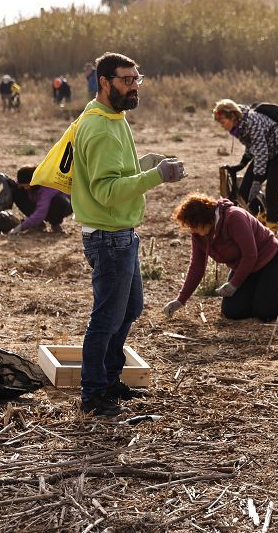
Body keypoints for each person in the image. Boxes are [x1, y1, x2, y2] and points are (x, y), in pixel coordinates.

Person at [74, 52, 186, 417]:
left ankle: (108, 380)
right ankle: (93, 394)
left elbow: (112, 175)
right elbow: (106, 192)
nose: (135, 86)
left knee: (130, 308)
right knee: (106, 318)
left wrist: (146, 164)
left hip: (118, 235)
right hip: (109, 238)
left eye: (138, 79)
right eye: (126, 80)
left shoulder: (111, 117)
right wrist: (156, 177)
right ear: (104, 82)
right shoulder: (101, 127)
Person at [164, 193, 278, 321]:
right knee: (232, 312)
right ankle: (263, 292)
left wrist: (234, 285)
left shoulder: (234, 217)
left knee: (265, 314)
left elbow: (250, 255)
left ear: (205, 219)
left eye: (193, 225)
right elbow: (197, 267)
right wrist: (180, 300)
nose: (191, 230)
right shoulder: (199, 234)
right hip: (244, 268)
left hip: (269, 261)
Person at [213, 99, 278, 228]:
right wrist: (242, 164)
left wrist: (257, 180)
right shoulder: (239, 124)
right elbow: (252, 146)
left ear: (232, 116)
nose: (222, 126)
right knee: (245, 191)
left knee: (271, 192)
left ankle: (272, 228)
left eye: (223, 122)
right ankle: (260, 221)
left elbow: (261, 151)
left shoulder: (251, 122)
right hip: (265, 153)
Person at [8, 165, 72, 234]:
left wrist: (20, 227)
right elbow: (17, 185)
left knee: (58, 201)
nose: (25, 188)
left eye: (26, 185)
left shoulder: (47, 185)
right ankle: (38, 224)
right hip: (41, 203)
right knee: (17, 192)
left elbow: (41, 212)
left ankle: (55, 223)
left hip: (64, 204)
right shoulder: (29, 182)